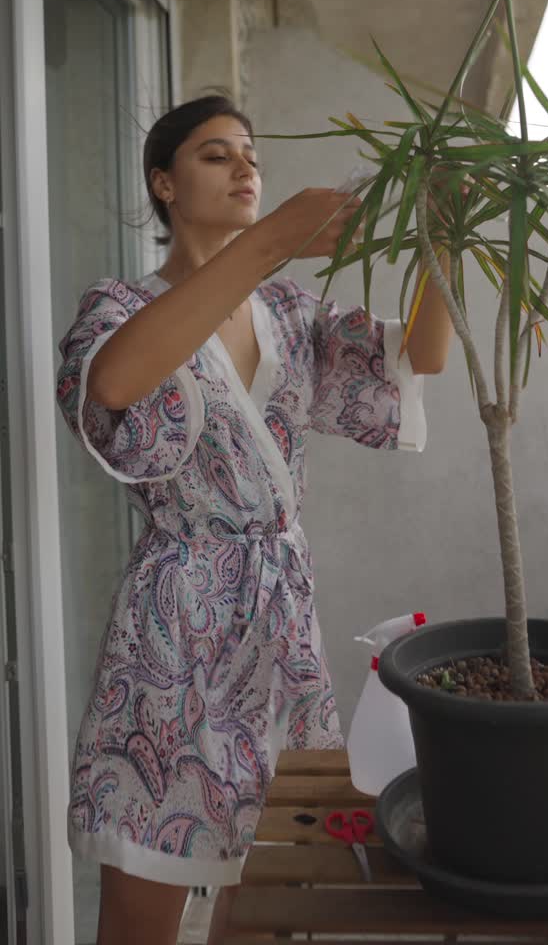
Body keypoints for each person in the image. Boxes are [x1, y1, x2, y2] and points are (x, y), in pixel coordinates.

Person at [56, 92, 453, 945]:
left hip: (280, 617)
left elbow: (420, 356)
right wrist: (272, 239)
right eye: (214, 154)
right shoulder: (119, 306)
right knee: (147, 889)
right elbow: (115, 389)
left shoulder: (287, 312)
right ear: (164, 183)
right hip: (177, 624)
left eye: (251, 153)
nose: (244, 167)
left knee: (274, 881)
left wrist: (443, 233)